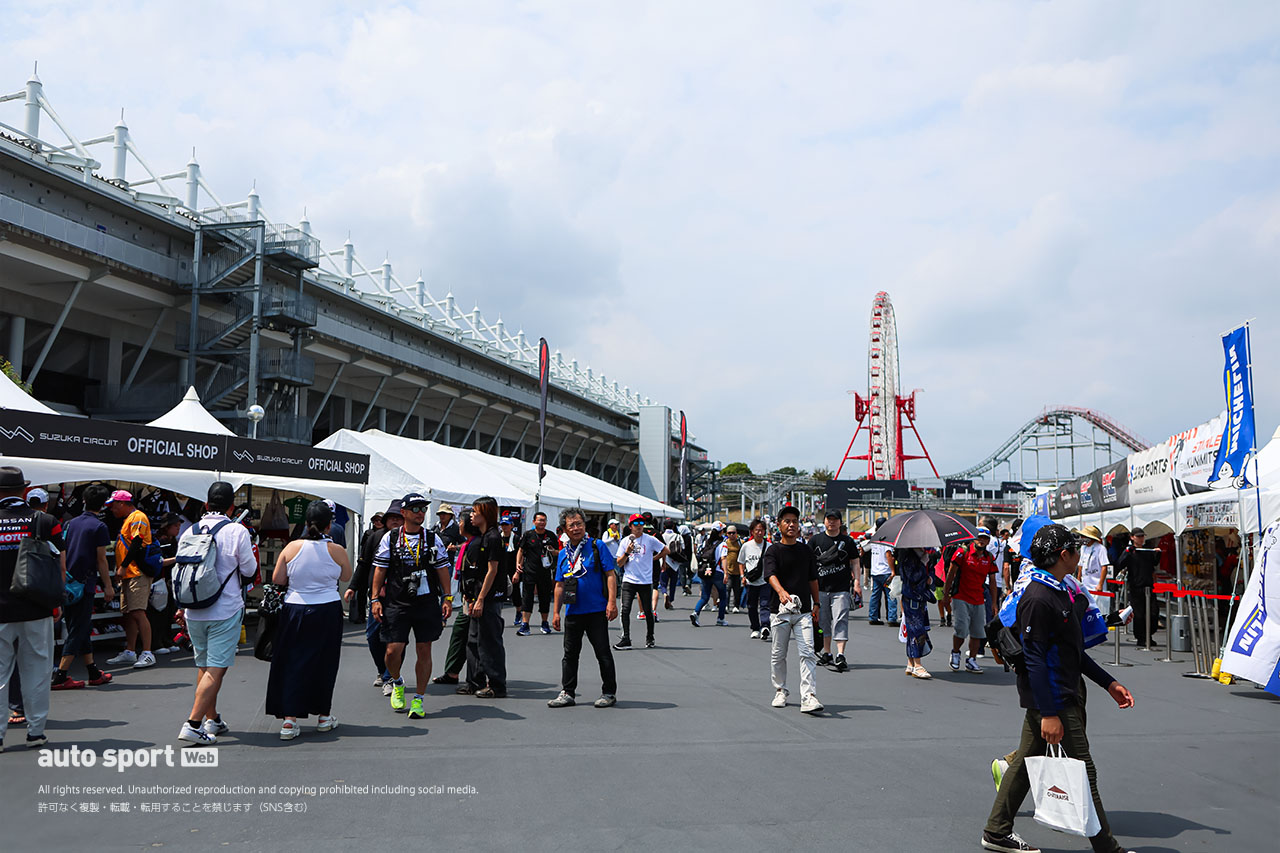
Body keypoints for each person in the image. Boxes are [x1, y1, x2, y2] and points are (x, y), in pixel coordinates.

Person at [981, 523, 1134, 853]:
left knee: (1024, 762)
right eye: (1076, 550)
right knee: (1084, 770)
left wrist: (1109, 683)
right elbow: (1035, 660)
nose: (1080, 556)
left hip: (1058, 689)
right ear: (1063, 555)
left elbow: (1073, 651)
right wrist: (1049, 713)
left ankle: (996, 831)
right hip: (1052, 696)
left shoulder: (1061, 590)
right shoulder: (1039, 597)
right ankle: (1108, 848)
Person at [176, 481, 258, 745]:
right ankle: (193, 723)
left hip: (194, 609)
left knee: (204, 666)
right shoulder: (237, 531)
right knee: (216, 668)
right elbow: (249, 570)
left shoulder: (190, 530)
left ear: (205, 504)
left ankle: (212, 719)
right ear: (232, 506)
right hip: (225, 608)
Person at [267, 501, 352, 740]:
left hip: (295, 607)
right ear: (329, 525)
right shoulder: (337, 550)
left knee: (291, 661)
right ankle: (323, 716)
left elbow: (278, 579)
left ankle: (289, 720)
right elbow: (346, 576)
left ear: (306, 523)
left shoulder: (291, 547)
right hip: (326, 608)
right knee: (325, 661)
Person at [370, 493, 452, 720]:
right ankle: (396, 681)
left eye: (423, 509)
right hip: (397, 602)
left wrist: (447, 598)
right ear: (403, 513)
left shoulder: (433, 538)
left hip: (425, 602)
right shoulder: (391, 537)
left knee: (424, 649)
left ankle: (419, 698)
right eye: (415, 508)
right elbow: (380, 569)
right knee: (392, 650)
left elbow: (443, 569)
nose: (420, 513)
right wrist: (375, 599)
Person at [0, 466, 64, 751]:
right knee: (37, 669)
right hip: (37, 607)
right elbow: (60, 563)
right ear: (24, 491)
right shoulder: (45, 520)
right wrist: (56, 602)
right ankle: (35, 731)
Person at [548, 508, 619, 708]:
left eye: (579, 524)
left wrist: (612, 602)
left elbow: (610, 575)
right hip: (573, 612)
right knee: (570, 654)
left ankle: (609, 692)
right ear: (564, 529)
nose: (576, 528)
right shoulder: (563, 554)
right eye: (572, 525)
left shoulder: (597, 546)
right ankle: (568, 692)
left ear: (585, 525)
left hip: (596, 609)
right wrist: (555, 612)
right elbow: (559, 585)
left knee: (602, 652)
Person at [51, 483, 114, 690]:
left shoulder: (70, 523)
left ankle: (93, 671)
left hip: (67, 581)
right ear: (104, 504)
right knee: (78, 629)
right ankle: (61, 675)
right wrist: (108, 586)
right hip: (84, 583)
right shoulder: (99, 527)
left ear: (84, 501)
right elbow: (101, 560)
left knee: (80, 626)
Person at [762, 506, 822, 714]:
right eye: (787, 521)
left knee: (807, 653)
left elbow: (813, 578)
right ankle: (780, 689)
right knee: (778, 654)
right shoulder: (773, 550)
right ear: (779, 524)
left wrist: (816, 603)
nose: (791, 525)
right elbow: (769, 574)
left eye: (794, 521)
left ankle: (809, 696)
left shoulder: (806, 551)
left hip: (804, 611)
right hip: (780, 611)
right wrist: (780, 591)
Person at [347, 500, 403, 696]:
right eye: (392, 518)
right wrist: (353, 586)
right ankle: (383, 670)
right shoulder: (374, 537)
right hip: (377, 596)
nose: (395, 522)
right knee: (372, 636)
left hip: (400, 598)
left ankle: (390, 677)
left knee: (396, 640)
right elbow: (363, 564)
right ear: (385, 521)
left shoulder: (411, 539)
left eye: (399, 518)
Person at [458, 497, 507, 698]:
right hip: (479, 595)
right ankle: (474, 680)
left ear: (484, 513)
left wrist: (480, 599)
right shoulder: (485, 536)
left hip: (488, 597)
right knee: (474, 640)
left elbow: (492, 571)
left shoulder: (493, 537)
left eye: (475, 511)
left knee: (489, 641)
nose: (471, 515)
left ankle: (496, 684)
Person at [105, 490, 156, 669]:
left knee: (138, 612)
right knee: (129, 613)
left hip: (136, 572)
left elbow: (136, 542)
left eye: (113, 505)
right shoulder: (130, 518)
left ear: (122, 503)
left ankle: (148, 652)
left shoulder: (138, 517)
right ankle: (130, 650)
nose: (112, 509)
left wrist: (124, 565)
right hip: (129, 573)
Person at [809, 510, 862, 672]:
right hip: (821, 589)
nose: (831, 522)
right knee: (824, 621)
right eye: (828, 519)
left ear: (840, 522)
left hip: (841, 588)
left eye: (835, 520)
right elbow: (808, 564)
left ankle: (840, 654)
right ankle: (827, 653)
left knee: (840, 619)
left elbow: (855, 562)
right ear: (824, 521)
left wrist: (857, 583)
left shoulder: (847, 541)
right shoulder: (815, 540)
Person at [943, 530, 998, 673]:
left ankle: (971, 660)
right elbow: (951, 573)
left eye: (985, 538)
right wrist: (945, 595)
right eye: (979, 537)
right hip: (960, 596)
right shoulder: (962, 552)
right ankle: (955, 653)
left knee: (978, 632)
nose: (982, 540)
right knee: (961, 629)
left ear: (988, 541)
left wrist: (994, 603)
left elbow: (992, 581)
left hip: (978, 599)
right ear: (974, 539)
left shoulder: (989, 557)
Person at [614, 514, 667, 648]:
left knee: (648, 611)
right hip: (629, 580)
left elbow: (666, 549)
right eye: (636, 525)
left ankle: (650, 638)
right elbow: (619, 563)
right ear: (630, 526)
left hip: (645, 581)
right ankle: (626, 638)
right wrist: (627, 552)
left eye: (641, 525)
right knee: (625, 609)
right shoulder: (625, 541)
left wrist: (654, 558)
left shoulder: (650, 540)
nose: (639, 527)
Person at [514, 511, 558, 636]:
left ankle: (544, 623)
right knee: (527, 597)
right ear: (534, 522)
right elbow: (521, 551)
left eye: (544, 520)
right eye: (539, 520)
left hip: (545, 571)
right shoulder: (528, 535)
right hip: (529, 571)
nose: (542, 522)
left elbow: (558, 552)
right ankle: (525, 624)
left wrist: (552, 550)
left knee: (544, 597)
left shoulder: (550, 536)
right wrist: (518, 564)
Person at [1115, 528, 1158, 646]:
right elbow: (1119, 564)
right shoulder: (1130, 551)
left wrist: (1157, 553)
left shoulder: (1147, 550)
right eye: (1138, 536)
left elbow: (1154, 563)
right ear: (1132, 537)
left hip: (1149, 587)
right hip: (1135, 587)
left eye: (1142, 536)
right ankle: (1141, 637)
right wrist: (1127, 552)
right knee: (1139, 614)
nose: (1141, 539)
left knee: (1153, 613)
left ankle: (1149, 634)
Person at [898, 547, 937, 678]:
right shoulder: (906, 553)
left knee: (914, 629)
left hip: (922, 596)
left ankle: (911, 663)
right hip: (911, 595)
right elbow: (911, 576)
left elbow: (931, 572)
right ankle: (918, 664)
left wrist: (930, 578)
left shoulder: (927, 553)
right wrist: (922, 564)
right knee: (916, 629)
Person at [738, 518, 772, 639]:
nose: (759, 532)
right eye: (757, 530)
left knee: (765, 604)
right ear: (752, 531)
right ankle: (755, 627)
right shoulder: (746, 546)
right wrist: (742, 576)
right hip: (750, 581)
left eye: (761, 530)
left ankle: (765, 626)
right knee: (751, 606)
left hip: (765, 581)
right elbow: (741, 562)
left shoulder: (769, 546)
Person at [690, 523, 728, 628]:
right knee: (723, 596)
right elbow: (724, 558)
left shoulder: (706, 543)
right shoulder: (722, 544)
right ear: (721, 532)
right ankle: (720, 618)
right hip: (718, 572)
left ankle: (695, 613)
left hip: (706, 571)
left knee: (705, 596)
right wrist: (726, 573)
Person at [865, 519, 897, 626]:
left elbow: (864, 549)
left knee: (875, 595)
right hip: (886, 571)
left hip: (875, 571)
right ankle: (892, 618)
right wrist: (893, 571)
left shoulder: (874, 538)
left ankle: (873, 616)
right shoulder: (886, 538)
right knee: (890, 596)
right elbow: (888, 555)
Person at [1077, 525, 1112, 617]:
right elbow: (1080, 565)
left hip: (1096, 584)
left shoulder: (1100, 548)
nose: (1082, 538)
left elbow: (1104, 566)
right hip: (1085, 583)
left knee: (1098, 609)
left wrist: (1100, 584)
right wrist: (1078, 579)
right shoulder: (1083, 548)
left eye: (1084, 536)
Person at [659, 519, 683, 609]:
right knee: (673, 583)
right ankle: (671, 600)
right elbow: (682, 547)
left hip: (664, 561)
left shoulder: (661, 535)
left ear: (664, 526)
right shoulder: (678, 536)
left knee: (663, 582)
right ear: (673, 526)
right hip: (675, 562)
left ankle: (665, 593)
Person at [722, 524, 744, 614]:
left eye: (733, 533)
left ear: (736, 533)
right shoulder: (725, 543)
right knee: (727, 588)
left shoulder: (741, 543)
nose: (731, 535)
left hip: (738, 570)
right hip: (728, 570)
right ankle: (726, 605)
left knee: (737, 590)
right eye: (729, 533)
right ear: (727, 534)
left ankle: (736, 606)